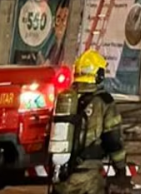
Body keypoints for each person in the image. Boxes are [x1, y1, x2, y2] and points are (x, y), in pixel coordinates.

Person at [51, 48, 128, 194]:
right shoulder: (104, 102)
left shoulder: (65, 99)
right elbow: (113, 140)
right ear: (98, 75)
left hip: (61, 176)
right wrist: (121, 169)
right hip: (88, 178)